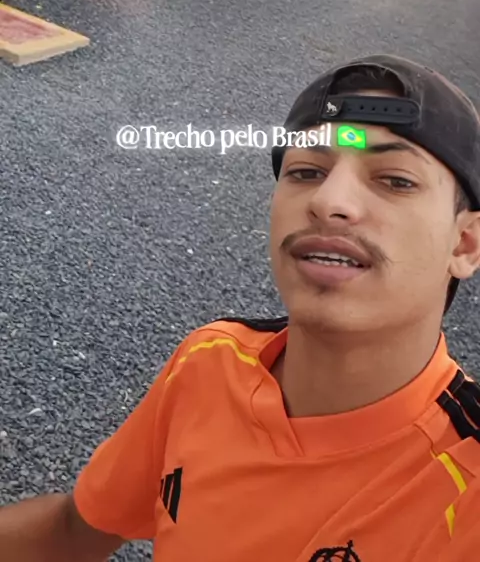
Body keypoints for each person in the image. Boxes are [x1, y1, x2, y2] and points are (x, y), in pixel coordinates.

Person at [1, 53, 480, 562]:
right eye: (306, 171)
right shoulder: (209, 363)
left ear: (465, 244)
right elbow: (76, 529)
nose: (329, 200)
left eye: (395, 180)